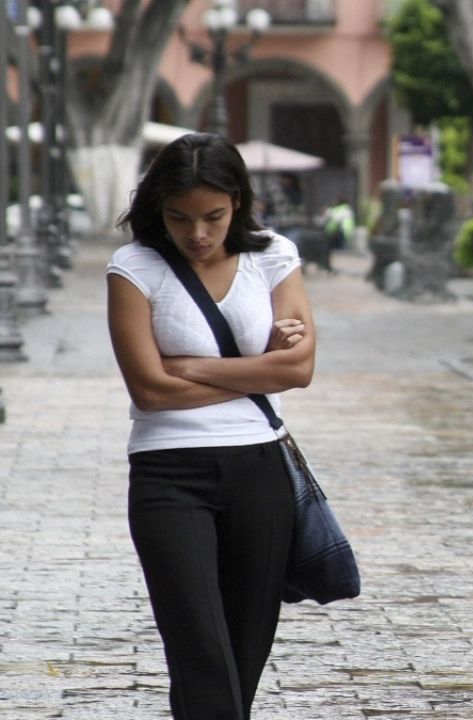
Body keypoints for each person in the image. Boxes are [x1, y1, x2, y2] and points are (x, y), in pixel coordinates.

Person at [106, 133, 317, 720]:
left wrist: (193, 368)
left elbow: (298, 369)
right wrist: (258, 370)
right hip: (167, 475)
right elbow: (148, 388)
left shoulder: (274, 255)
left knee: (243, 654)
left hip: (260, 471)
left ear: (238, 203)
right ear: (158, 211)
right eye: (179, 218)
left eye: (213, 217)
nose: (197, 234)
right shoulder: (134, 267)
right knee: (199, 647)